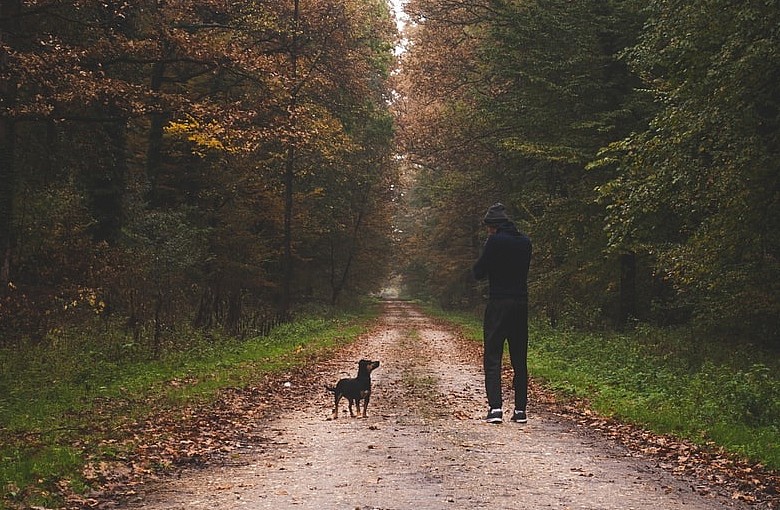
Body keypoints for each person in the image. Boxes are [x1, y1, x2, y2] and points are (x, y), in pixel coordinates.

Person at [473, 203, 532, 424]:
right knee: (519, 358)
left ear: (494, 226)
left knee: (493, 356)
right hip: (520, 304)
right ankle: (520, 410)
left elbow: (479, 272)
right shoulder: (526, 242)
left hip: (498, 303)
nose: (488, 231)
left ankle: (495, 409)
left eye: (489, 227)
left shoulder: (494, 241)